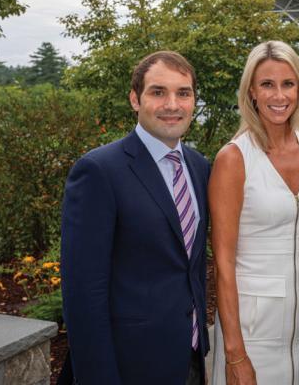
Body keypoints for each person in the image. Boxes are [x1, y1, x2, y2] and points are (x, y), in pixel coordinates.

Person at [61, 51, 211, 384]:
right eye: (158, 92)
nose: (172, 104)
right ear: (135, 99)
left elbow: (192, 266)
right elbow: (83, 294)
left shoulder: (200, 167)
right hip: (127, 364)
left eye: (183, 93)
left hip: (189, 357)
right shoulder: (99, 171)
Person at [210, 40, 299, 385]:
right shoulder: (233, 159)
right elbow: (224, 262)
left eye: (288, 84)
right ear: (251, 90)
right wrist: (235, 353)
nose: (279, 96)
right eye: (267, 84)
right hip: (253, 333)